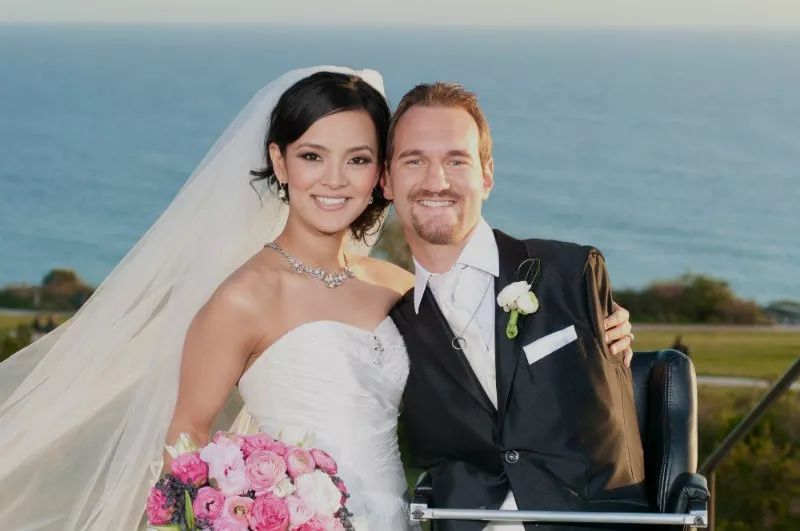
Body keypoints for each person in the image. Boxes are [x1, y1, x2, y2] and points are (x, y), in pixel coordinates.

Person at [0, 67, 633, 530]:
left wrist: (602, 338)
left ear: (378, 176)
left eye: (356, 159)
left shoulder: (398, 288)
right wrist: (230, 514)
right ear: (280, 163)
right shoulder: (242, 298)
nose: (334, 180)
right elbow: (186, 441)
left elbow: (483, 385)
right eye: (312, 156)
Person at [387, 83, 645, 531]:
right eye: (414, 161)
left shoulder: (572, 273)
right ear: (387, 181)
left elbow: (615, 411)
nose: (436, 181)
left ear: (487, 175)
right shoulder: (390, 324)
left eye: (456, 160)